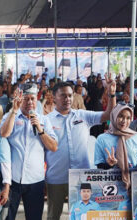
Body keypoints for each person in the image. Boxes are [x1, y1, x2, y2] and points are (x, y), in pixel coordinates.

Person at [45, 73, 116, 220]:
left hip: (81, 178)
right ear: (54, 97)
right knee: (53, 216)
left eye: (70, 95)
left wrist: (111, 93)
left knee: (81, 216)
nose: (68, 99)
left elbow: (109, 115)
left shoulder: (82, 115)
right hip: (56, 178)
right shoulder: (45, 121)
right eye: (63, 95)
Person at [0, 83, 58, 220]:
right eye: (26, 99)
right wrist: (13, 112)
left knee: (34, 217)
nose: (30, 102)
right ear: (19, 99)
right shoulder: (10, 116)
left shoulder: (43, 120)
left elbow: (54, 147)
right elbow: (3, 133)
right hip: (13, 179)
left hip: (35, 180)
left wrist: (40, 129)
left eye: (33, 98)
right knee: (7, 216)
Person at [95, 103, 137, 188]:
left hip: (134, 184)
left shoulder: (136, 136)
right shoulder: (102, 139)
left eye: (128, 118)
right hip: (111, 186)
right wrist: (110, 164)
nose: (124, 121)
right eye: (120, 116)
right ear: (114, 116)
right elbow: (99, 166)